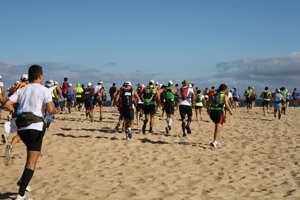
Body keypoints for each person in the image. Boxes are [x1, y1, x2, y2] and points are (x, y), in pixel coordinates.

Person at [5, 65, 57, 200]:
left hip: (21, 128)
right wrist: (56, 110)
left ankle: (23, 181)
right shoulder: (45, 90)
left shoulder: (22, 89)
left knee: (35, 154)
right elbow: (50, 110)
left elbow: (7, 104)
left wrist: (14, 111)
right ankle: (21, 195)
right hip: (36, 128)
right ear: (40, 76)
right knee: (31, 162)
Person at [206, 84, 233, 149]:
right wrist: (230, 110)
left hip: (212, 113)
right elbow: (226, 103)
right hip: (219, 113)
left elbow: (207, 103)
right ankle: (215, 141)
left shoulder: (213, 95)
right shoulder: (224, 95)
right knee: (218, 128)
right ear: (225, 89)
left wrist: (208, 110)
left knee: (217, 126)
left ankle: (216, 141)